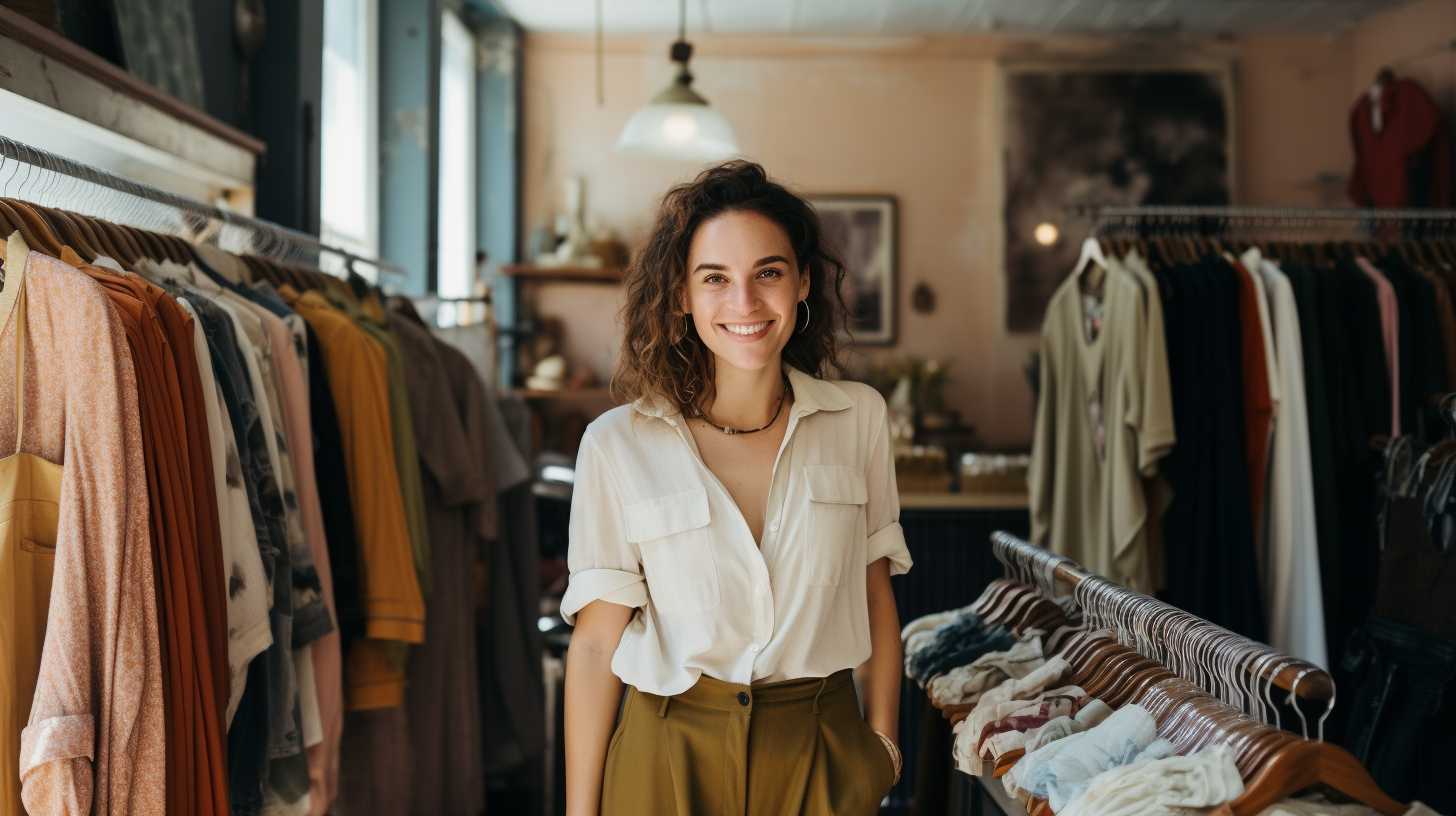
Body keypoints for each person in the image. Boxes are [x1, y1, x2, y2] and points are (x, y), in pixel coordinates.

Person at [561, 160, 913, 816]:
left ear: (803, 281)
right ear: (681, 296)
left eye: (768, 273)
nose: (745, 304)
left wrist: (883, 752)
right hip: (665, 759)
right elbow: (595, 646)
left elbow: (875, 592)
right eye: (715, 278)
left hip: (822, 753)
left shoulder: (858, 419)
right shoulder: (617, 445)